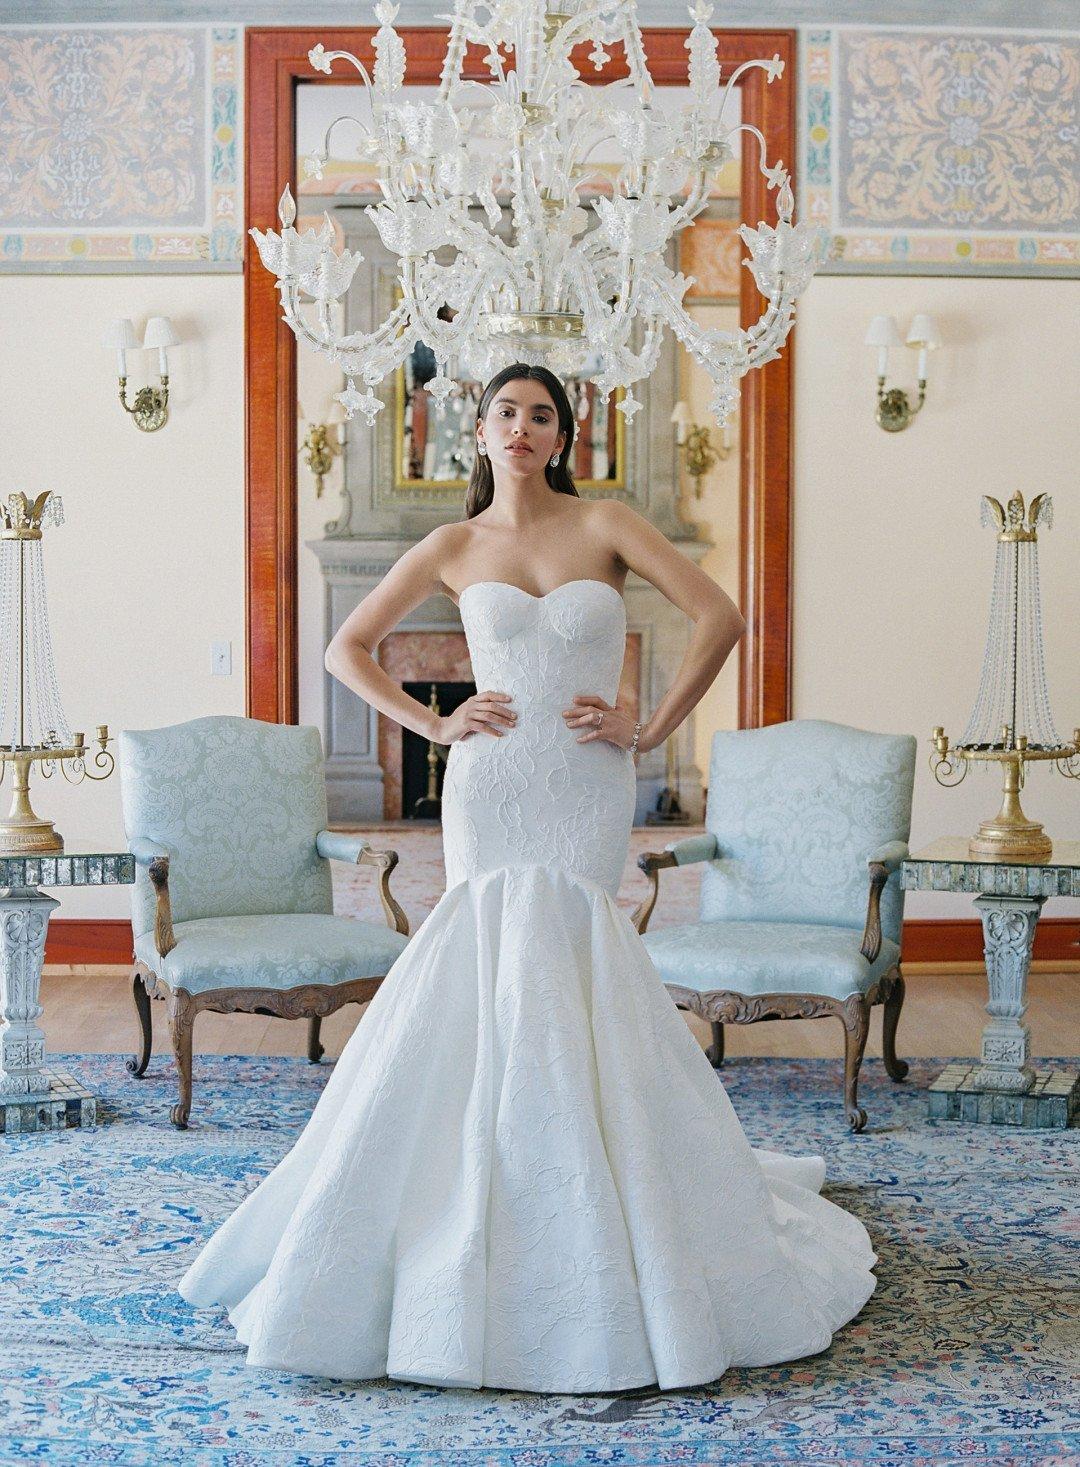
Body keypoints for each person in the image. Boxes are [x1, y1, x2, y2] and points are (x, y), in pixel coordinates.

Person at [178, 362, 876, 1394]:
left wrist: (650, 727)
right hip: (492, 785)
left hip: (587, 782)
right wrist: (432, 723)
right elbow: (346, 646)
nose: (522, 426)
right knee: (482, 962)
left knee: (576, 959)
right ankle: (466, 1201)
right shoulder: (454, 545)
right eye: (506, 411)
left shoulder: (606, 523)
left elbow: (720, 616)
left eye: (541, 414)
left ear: (563, 435)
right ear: (478, 428)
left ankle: (599, 1193)